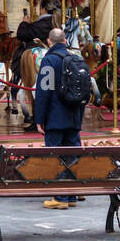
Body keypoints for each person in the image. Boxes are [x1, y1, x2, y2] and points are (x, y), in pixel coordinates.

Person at [34, 27, 85, 210]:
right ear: (65, 41)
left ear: (49, 42)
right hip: (73, 116)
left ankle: (60, 197)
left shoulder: (49, 60)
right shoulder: (76, 59)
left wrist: (39, 118)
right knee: (71, 154)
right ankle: (71, 194)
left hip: (55, 117)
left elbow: (43, 90)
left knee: (54, 155)